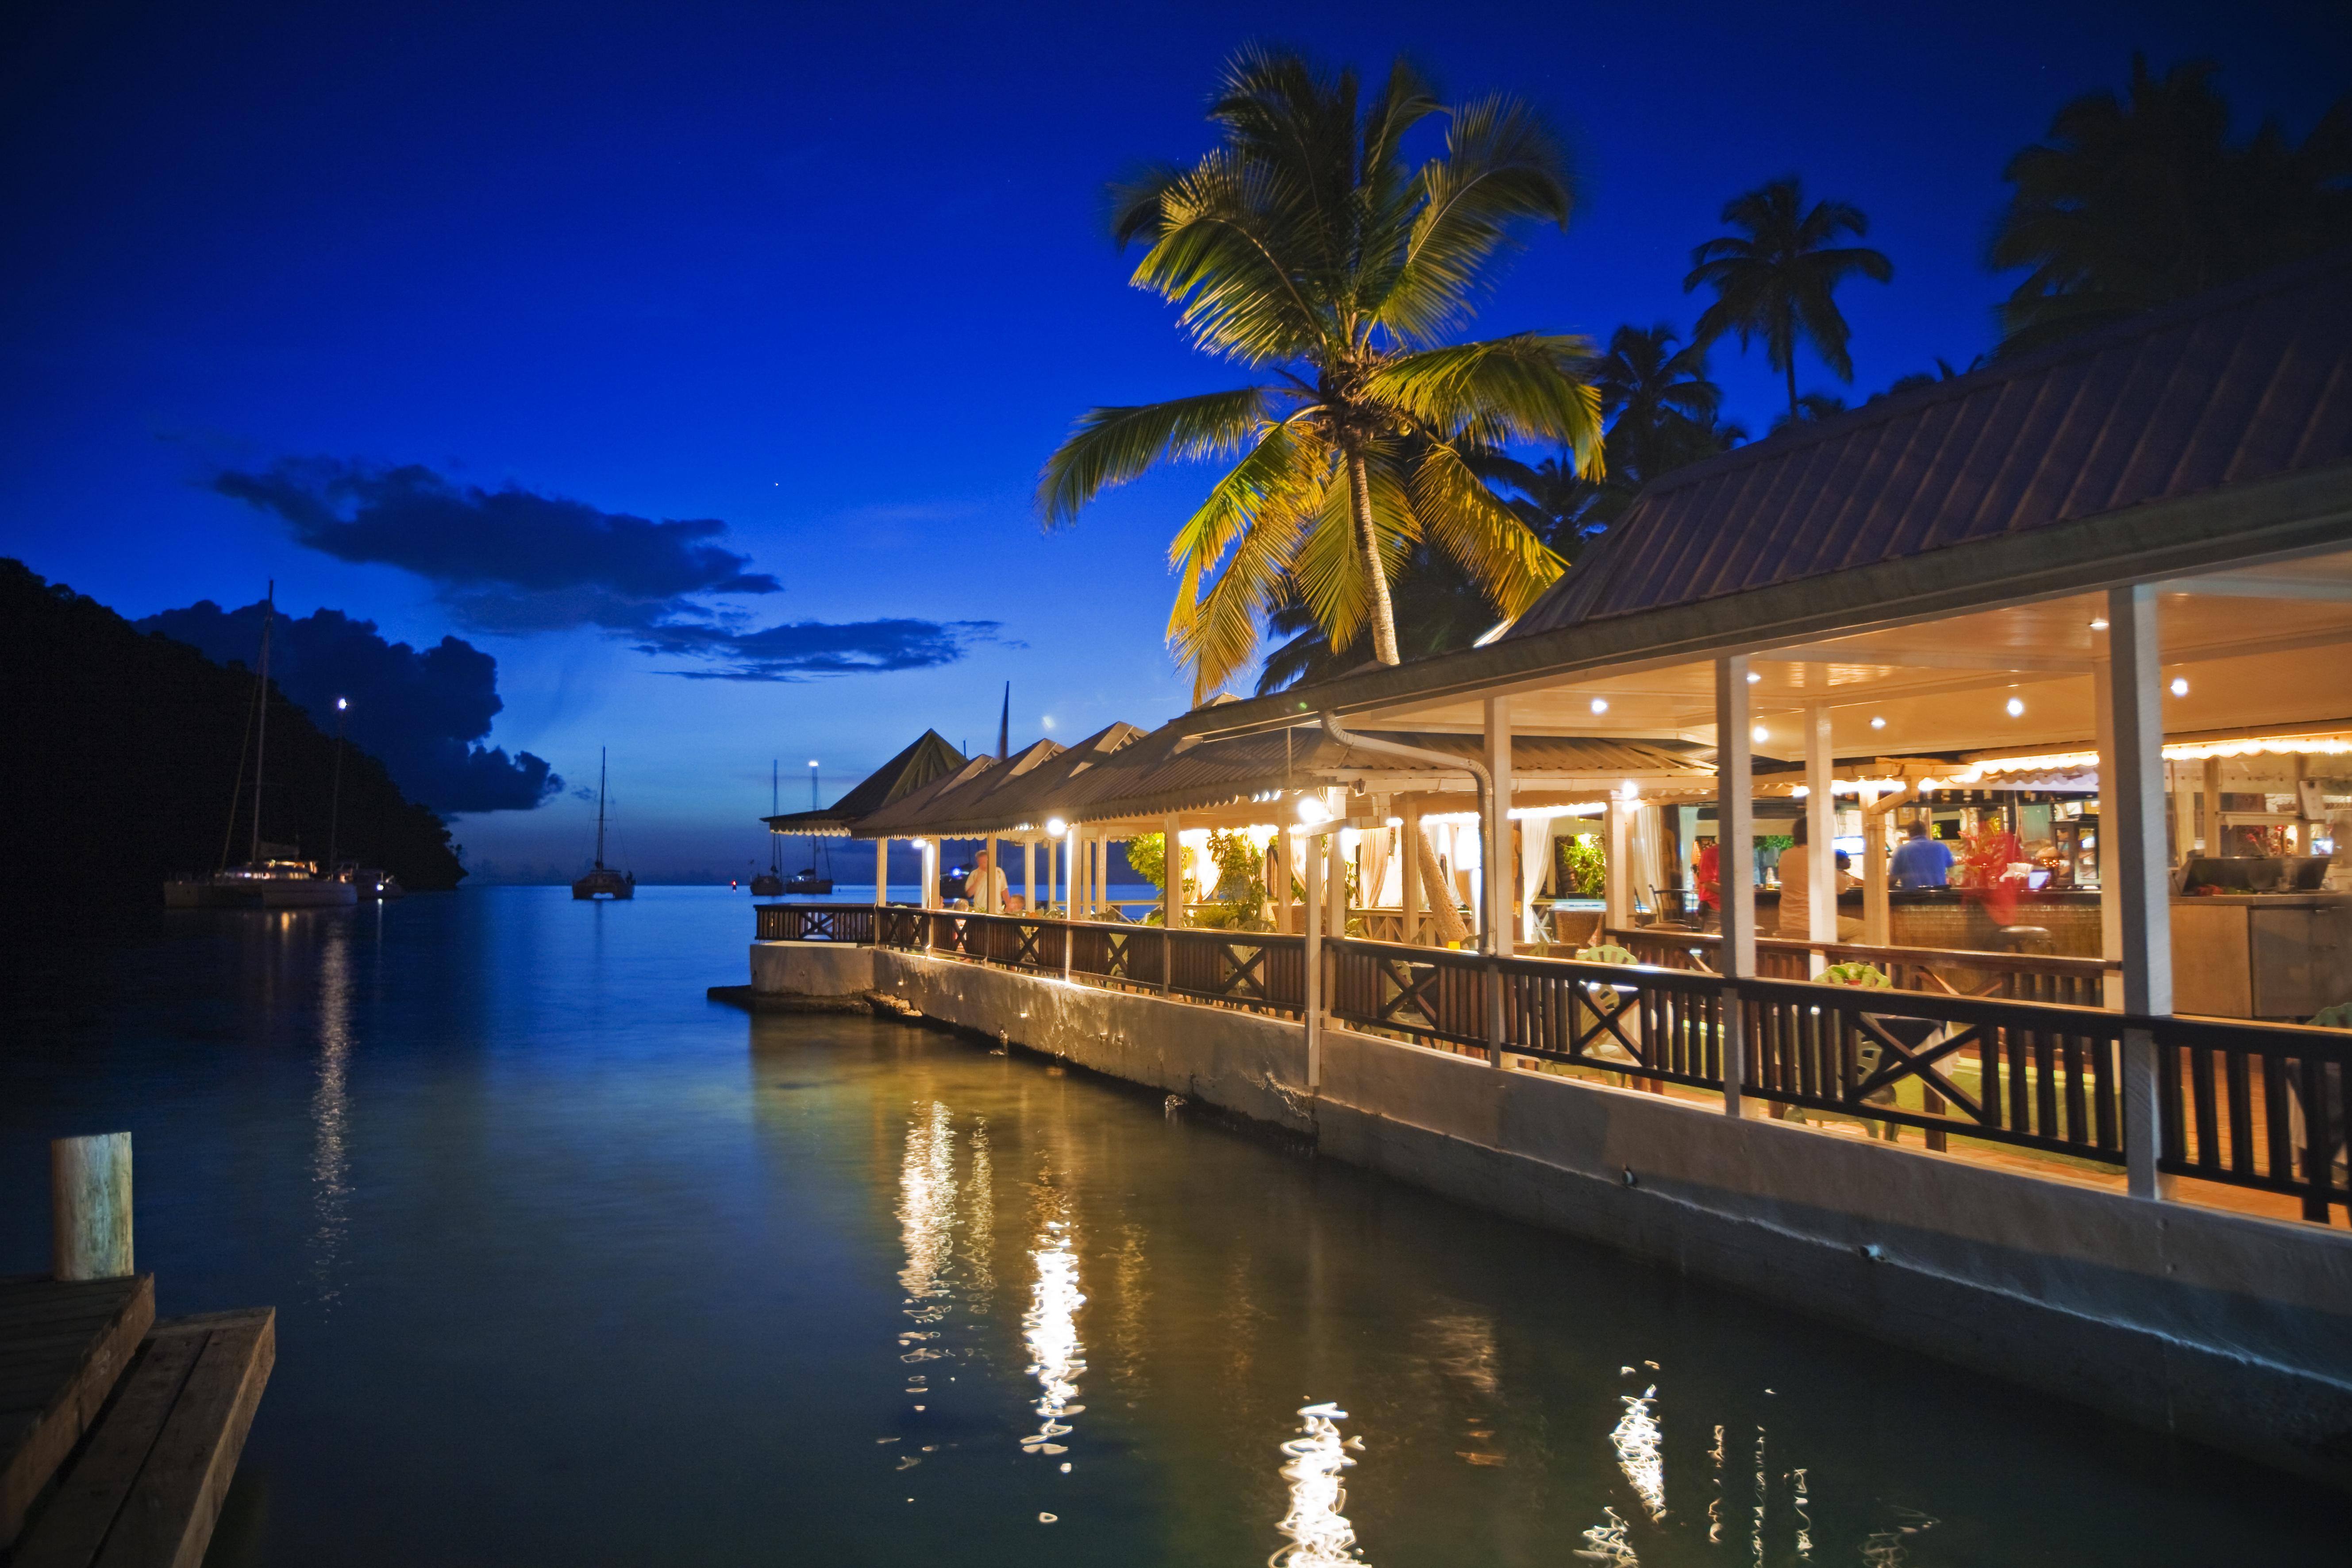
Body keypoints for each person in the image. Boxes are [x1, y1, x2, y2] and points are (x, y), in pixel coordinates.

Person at [1778, 819, 1860, 940]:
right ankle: (1840, 957)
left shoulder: (1785, 856)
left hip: (1787, 922)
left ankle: (1832, 956)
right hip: (1817, 922)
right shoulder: (1818, 856)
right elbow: (1842, 888)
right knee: (1868, 930)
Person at [1890, 819, 1955, 889]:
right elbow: (1951, 866)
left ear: (1909, 833)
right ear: (1925, 832)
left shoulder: (1901, 851)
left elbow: (1893, 879)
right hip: (1939, 897)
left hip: (1912, 898)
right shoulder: (1942, 847)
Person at [966, 847, 1011, 913]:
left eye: (985, 862)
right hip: (980, 911)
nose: (983, 864)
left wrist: (1009, 906)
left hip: (997, 911)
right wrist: (978, 881)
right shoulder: (974, 874)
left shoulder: (999, 872)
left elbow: (1004, 890)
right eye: (980, 862)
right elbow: (969, 894)